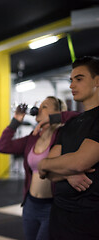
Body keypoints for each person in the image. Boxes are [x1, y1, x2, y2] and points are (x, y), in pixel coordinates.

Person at [0, 96, 87, 240]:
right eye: (40, 106)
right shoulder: (32, 138)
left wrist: (56, 118)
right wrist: (16, 120)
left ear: (57, 112)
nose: (39, 109)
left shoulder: (62, 136)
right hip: (30, 205)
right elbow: (2, 146)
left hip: (51, 207)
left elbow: (80, 117)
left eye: (45, 106)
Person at [38, 56, 99, 239]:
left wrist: (48, 164)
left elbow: (79, 162)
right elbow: (46, 172)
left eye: (79, 79)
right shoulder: (72, 123)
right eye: (71, 80)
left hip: (90, 220)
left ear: (97, 80)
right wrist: (65, 172)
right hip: (60, 216)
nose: (72, 85)